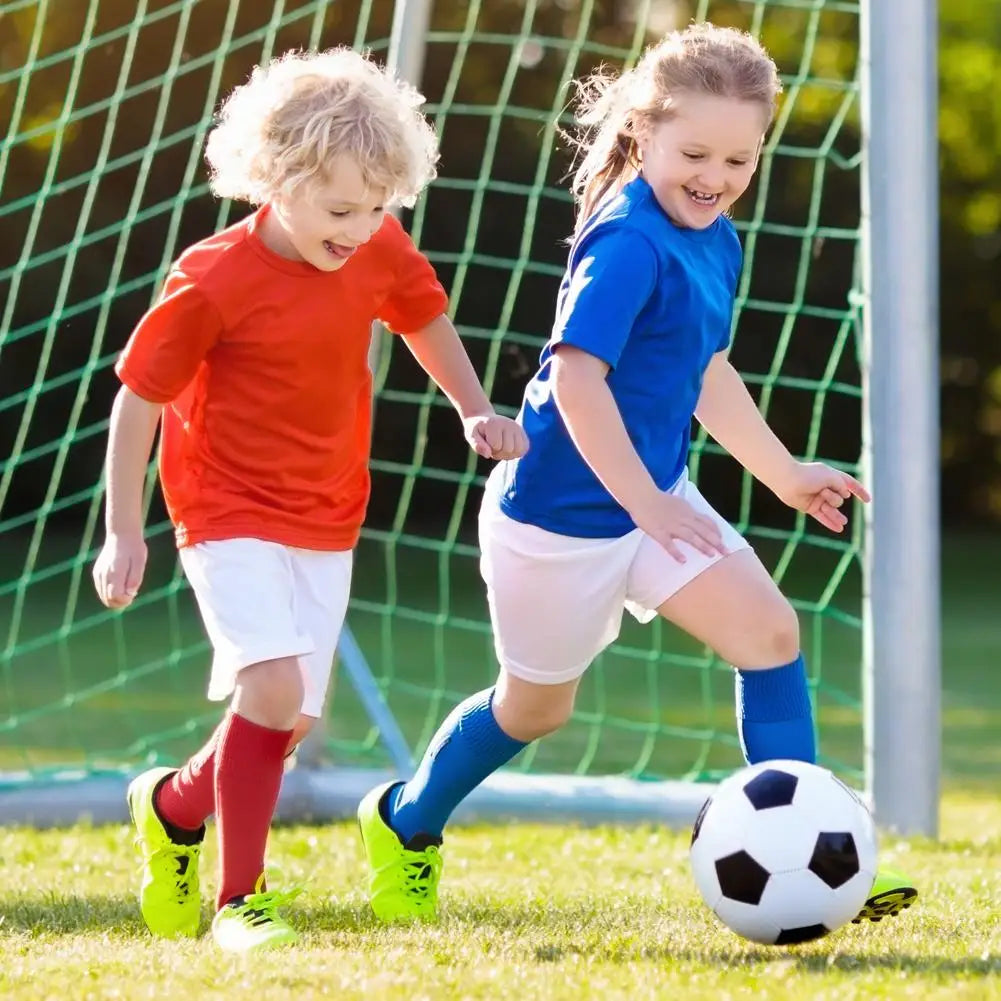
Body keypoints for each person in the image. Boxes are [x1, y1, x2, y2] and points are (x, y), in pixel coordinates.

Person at [357, 23, 917, 925]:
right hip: (558, 522)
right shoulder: (625, 239)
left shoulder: (715, 236)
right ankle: (405, 821)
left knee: (771, 635)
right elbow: (577, 381)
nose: (714, 174)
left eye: (738, 157)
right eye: (693, 151)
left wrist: (778, 473)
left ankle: (819, 857)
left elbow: (705, 369)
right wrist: (647, 505)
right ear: (643, 133)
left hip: (652, 501)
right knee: (534, 708)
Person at [92, 47, 528, 953]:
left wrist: (475, 407)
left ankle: (173, 806)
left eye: (378, 207)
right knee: (272, 685)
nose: (362, 227)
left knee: (287, 718)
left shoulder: (376, 244)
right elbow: (138, 399)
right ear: (276, 180)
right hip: (222, 506)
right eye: (340, 208)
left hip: (328, 510)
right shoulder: (212, 279)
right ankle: (237, 903)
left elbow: (421, 315)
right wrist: (122, 532)